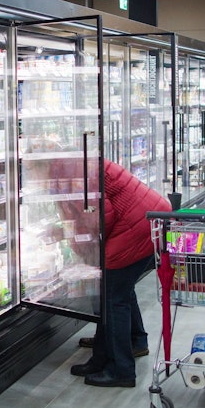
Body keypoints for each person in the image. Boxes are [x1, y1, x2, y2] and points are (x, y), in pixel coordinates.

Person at [69, 160, 170, 388]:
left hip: (136, 228)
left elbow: (102, 218)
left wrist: (84, 245)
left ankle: (121, 370)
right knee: (119, 290)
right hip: (149, 218)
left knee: (113, 298)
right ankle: (119, 349)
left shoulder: (75, 175)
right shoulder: (82, 161)